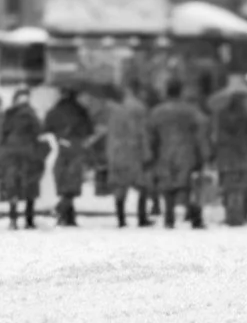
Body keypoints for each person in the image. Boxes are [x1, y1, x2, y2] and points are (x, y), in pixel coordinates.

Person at [147, 75, 210, 230]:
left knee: (168, 188)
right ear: (181, 91)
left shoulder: (157, 112)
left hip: (165, 152)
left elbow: (151, 134)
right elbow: (202, 130)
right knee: (190, 186)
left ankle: (169, 218)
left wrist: (151, 154)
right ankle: (195, 217)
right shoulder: (190, 111)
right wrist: (204, 153)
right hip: (187, 152)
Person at [210, 80, 247, 227]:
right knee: (241, 186)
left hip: (225, 155)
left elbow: (215, 136)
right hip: (242, 154)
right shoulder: (246, 117)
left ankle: (230, 214)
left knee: (228, 185)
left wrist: (213, 152)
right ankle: (237, 215)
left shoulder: (220, 116)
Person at [44, 86, 96, 226]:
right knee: (72, 183)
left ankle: (67, 217)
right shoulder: (80, 111)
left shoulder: (55, 110)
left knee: (63, 181)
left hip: (61, 147)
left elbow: (47, 127)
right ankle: (62, 210)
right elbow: (89, 129)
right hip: (76, 148)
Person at [0, 87, 47, 229]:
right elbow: (39, 130)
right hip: (28, 154)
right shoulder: (31, 113)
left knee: (13, 185)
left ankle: (13, 219)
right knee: (30, 185)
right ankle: (28, 219)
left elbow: (2, 133)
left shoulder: (9, 114)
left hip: (11, 153)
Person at [103, 87, 154, 228]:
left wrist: (108, 155)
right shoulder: (138, 110)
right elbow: (142, 134)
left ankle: (121, 219)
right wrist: (147, 154)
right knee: (143, 186)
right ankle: (142, 218)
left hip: (116, 153)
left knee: (120, 187)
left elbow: (109, 135)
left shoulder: (114, 112)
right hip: (133, 154)